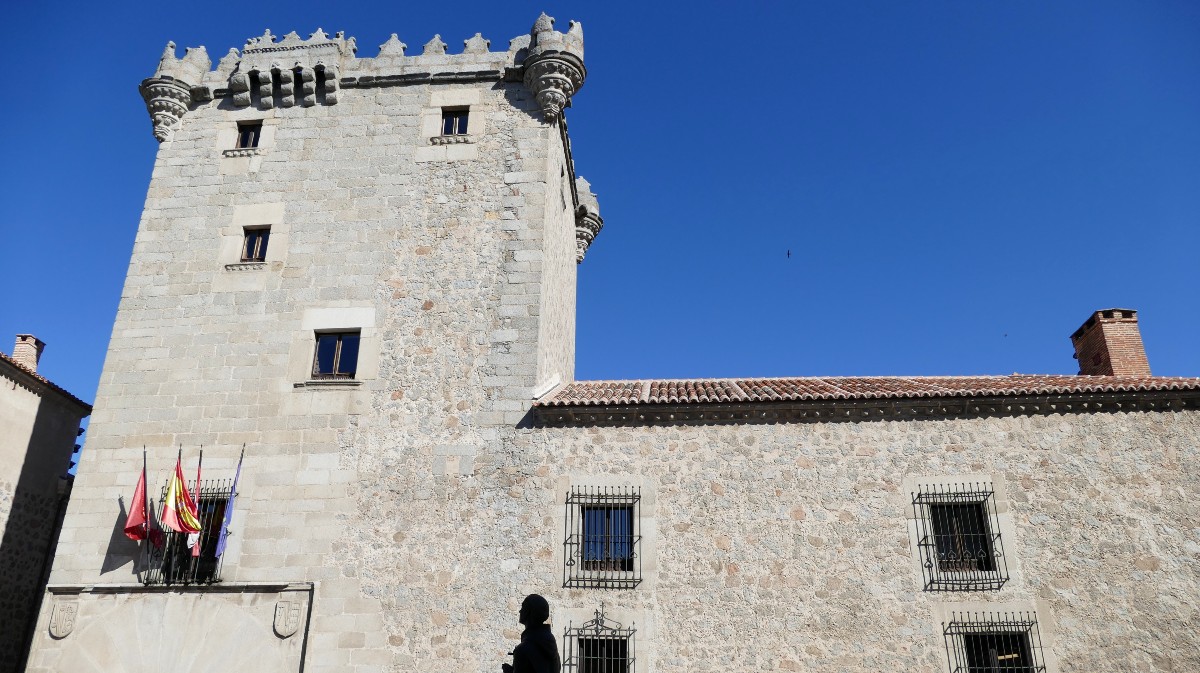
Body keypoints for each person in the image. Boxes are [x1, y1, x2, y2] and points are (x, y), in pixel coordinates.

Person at [503, 594, 561, 673]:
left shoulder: (523, 649)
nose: (520, 611)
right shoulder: (550, 645)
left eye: (523, 607)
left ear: (528, 611)